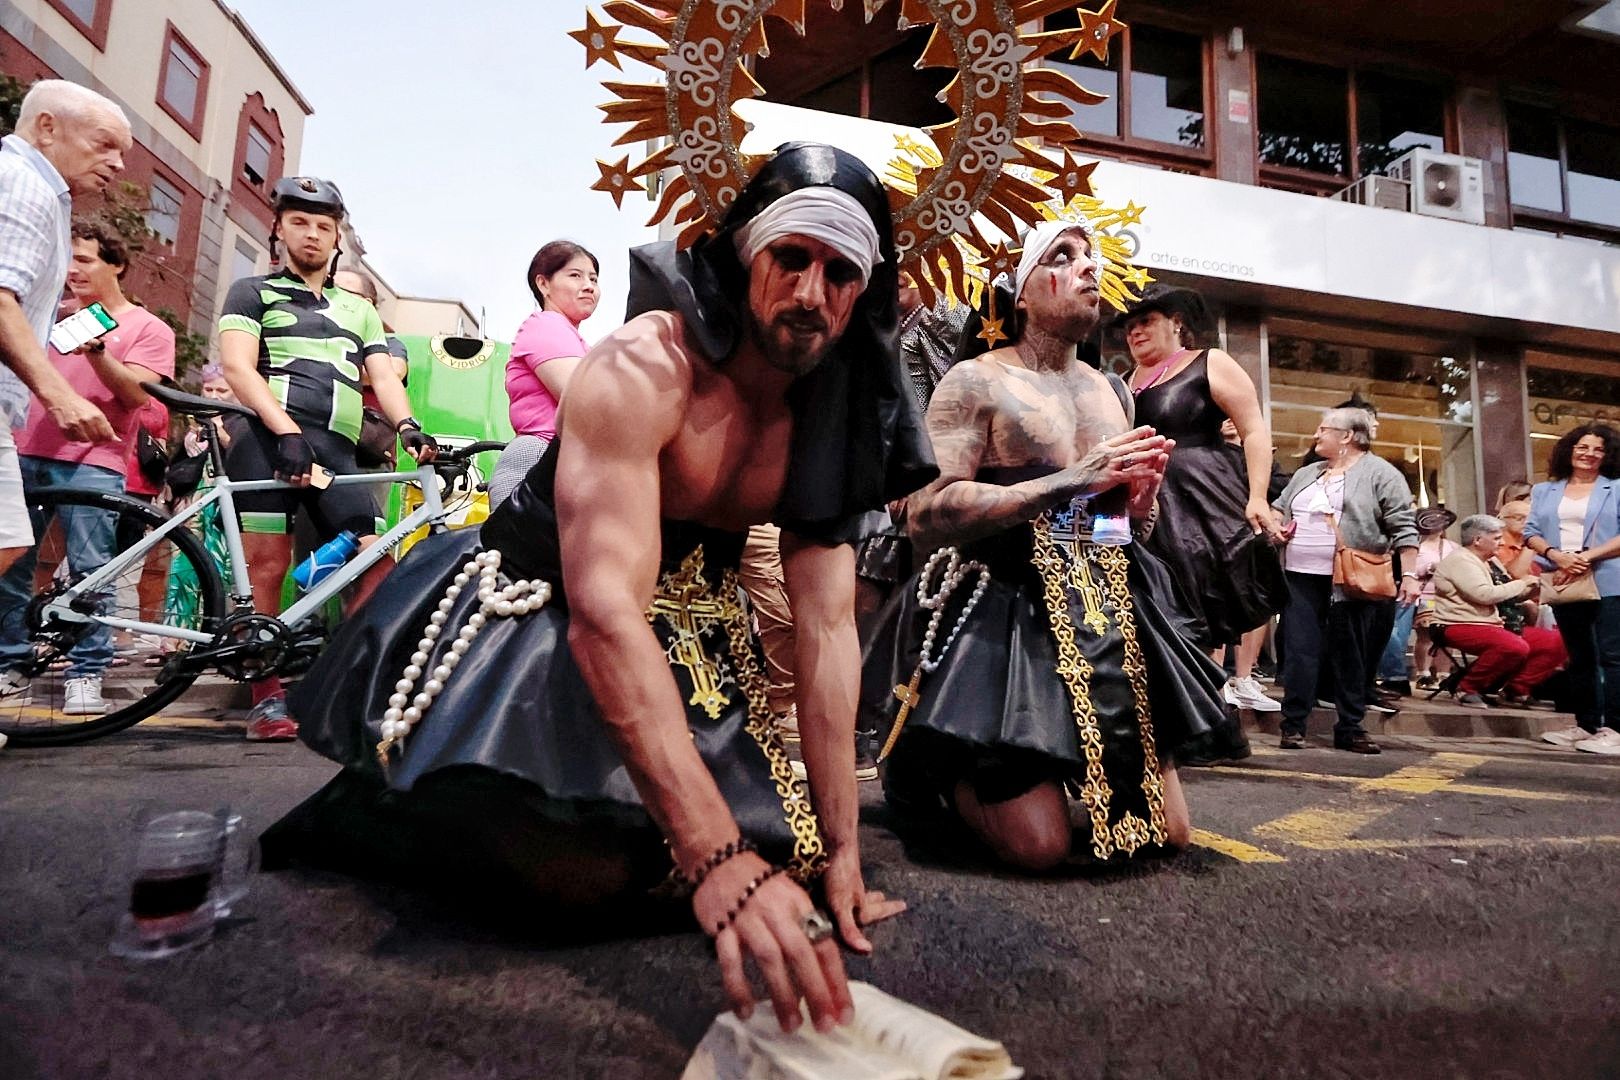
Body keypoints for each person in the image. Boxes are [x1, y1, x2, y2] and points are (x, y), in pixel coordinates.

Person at [262, 143, 935, 1032]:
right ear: (744, 256)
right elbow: (605, 610)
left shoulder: (839, 402)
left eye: (841, 271)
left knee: (787, 850)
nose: (812, 293)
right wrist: (715, 856)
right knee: (578, 872)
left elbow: (826, 628)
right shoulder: (642, 367)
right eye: (792, 258)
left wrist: (845, 848)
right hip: (540, 610)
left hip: (687, 633)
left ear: (864, 292)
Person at [869, 218, 1230, 872]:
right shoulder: (976, 380)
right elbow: (924, 511)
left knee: (1167, 834)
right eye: (1062, 257)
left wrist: (1137, 506)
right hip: (1002, 611)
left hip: (1107, 612)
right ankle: (935, 769)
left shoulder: (1114, 390)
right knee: (1040, 848)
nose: (1088, 267)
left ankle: (1059, 765)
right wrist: (1067, 482)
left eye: (1090, 256)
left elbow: (1118, 530)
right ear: (1021, 296)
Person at [217, 176, 437, 741]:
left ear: (337, 237)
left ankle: (354, 684)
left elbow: (383, 375)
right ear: (279, 228)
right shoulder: (250, 292)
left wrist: (408, 426)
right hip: (265, 443)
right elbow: (239, 369)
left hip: (337, 451)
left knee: (372, 559)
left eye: (323, 225)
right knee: (266, 566)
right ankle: (265, 699)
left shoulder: (358, 309)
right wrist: (286, 431)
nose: (312, 234)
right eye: (300, 222)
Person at [0, 220, 175, 713]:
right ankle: (12, 663)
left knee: (92, 571)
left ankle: (87, 671)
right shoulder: (39, 314)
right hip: (23, 447)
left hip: (93, 459)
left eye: (85, 260)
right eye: (68, 259)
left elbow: (138, 395)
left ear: (115, 265)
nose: (72, 269)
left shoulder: (147, 327)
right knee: (14, 564)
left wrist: (97, 353)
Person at [1117, 282, 1282, 717]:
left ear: (1176, 322)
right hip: (1138, 501)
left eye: (1146, 321)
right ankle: (1160, 716)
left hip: (1202, 499)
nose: (1135, 332)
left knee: (1200, 608)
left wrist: (1260, 496)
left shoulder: (1211, 363)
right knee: (1143, 607)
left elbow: (1254, 430)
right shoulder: (1120, 383)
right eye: (1130, 326)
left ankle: (1204, 717)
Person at [0, 80, 125, 577]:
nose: (117, 163)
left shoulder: (43, 192)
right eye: (104, 143)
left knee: (8, 544)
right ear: (47, 127)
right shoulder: (22, 182)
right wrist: (61, 397)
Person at [1271, 407, 1418, 754]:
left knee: (1349, 654)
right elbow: (1280, 506)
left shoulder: (1381, 473)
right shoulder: (1308, 472)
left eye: (1324, 429)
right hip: (1300, 576)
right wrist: (1276, 523)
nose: (1316, 435)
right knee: (1299, 652)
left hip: (1352, 579)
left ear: (1348, 436)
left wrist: (1409, 574)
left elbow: (1403, 526)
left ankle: (1350, 727)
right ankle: (1293, 725)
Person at [1523, 424, 1620, 755]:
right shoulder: (1545, 491)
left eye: (1598, 449)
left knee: (1612, 655)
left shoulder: (1616, 488)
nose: (1589, 454)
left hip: (1609, 577)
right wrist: (1556, 556)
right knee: (1580, 656)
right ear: (1569, 450)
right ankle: (1586, 724)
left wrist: (1586, 556)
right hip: (1564, 579)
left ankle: (1615, 729)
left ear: (1607, 456)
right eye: (1583, 447)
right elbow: (1531, 532)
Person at [487, 241, 599, 507]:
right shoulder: (546, 324)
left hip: (554, 461)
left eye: (593, 278)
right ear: (544, 284)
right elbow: (585, 399)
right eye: (575, 275)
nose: (589, 285)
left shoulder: (572, 337)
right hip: (538, 459)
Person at [1430, 514, 1564, 710]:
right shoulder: (1461, 560)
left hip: (1492, 624)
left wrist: (1533, 589)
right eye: (1496, 538)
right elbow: (1484, 595)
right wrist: (1521, 583)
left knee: (1557, 642)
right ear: (1477, 540)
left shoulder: (1490, 562)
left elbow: (1506, 596)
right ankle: (1467, 688)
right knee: (1513, 646)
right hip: (1457, 624)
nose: (1501, 543)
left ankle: (1516, 690)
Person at [1376, 506, 1456, 695]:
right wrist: (1427, 568)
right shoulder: (1409, 545)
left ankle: (1400, 677)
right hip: (1412, 592)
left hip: (1434, 595)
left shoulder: (1450, 547)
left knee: (1399, 634)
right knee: (1409, 634)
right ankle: (1413, 673)